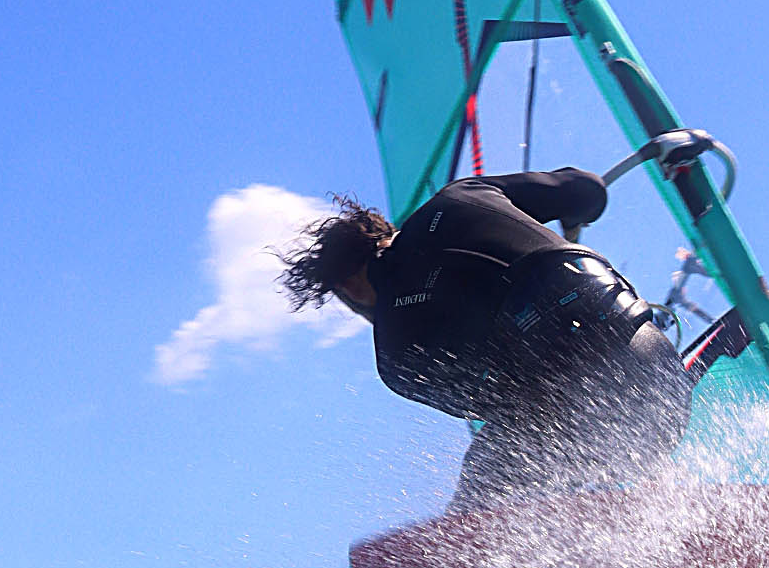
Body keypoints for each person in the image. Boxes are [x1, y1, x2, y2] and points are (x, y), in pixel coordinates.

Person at [279, 168, 692, 509]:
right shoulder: (463, 196)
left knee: (485, 470)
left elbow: (514, 412)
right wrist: (571, 221)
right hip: (659, 379)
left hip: (598, 437)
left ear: (349, 287)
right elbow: (587, 190)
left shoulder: (394, 357)